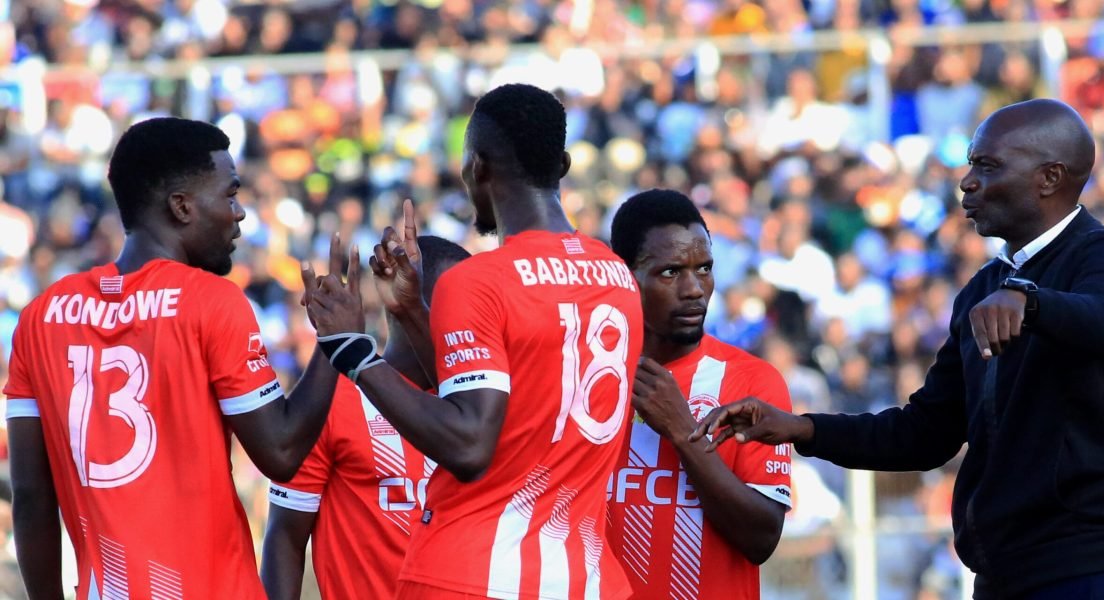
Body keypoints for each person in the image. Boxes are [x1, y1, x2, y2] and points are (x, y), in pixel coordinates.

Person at [695, 98, 1104, 599]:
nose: (967, 182)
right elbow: (924, 434)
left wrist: (1029, 302)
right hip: (1004, 577)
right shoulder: (985, 288)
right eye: (970, 165)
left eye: (987, 166)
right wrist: (801, 429)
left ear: (1049, 178)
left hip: (1095, 573)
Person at [302, 83, 644, 600]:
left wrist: (354, 352)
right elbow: (516, 404)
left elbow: (469, 444)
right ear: (564, 165)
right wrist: (414, 313)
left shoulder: (480, 280)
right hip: (587, 579)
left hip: (473, 575)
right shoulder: (617, 278)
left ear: (478, 167)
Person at [4, 117, 340, 599]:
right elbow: (281, 452)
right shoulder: (211, 301)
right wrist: (335, 343)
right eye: (229, 195)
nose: (240, 213)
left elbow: (33, 498)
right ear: (182, 207)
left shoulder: (40, 317)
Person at [260, 235, 470, 600]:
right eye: (465, 307)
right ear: (410, 303)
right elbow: (285, 537)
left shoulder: (479, 408)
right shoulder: (332, 399)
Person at [606, 189, 792, 600]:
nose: (694, 289)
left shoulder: (752, 382)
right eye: (671, 272)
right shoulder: (590, 377)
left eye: (704, 268)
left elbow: (762, 538)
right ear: (624, 275)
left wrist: (682, 430)